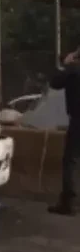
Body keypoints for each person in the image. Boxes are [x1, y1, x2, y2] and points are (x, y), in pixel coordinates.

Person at [48, 47, 80, 216]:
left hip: (78, 121)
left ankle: (69, 203)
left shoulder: (73, 70)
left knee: (70, 161)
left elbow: (55, 83)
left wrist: (65, 64)